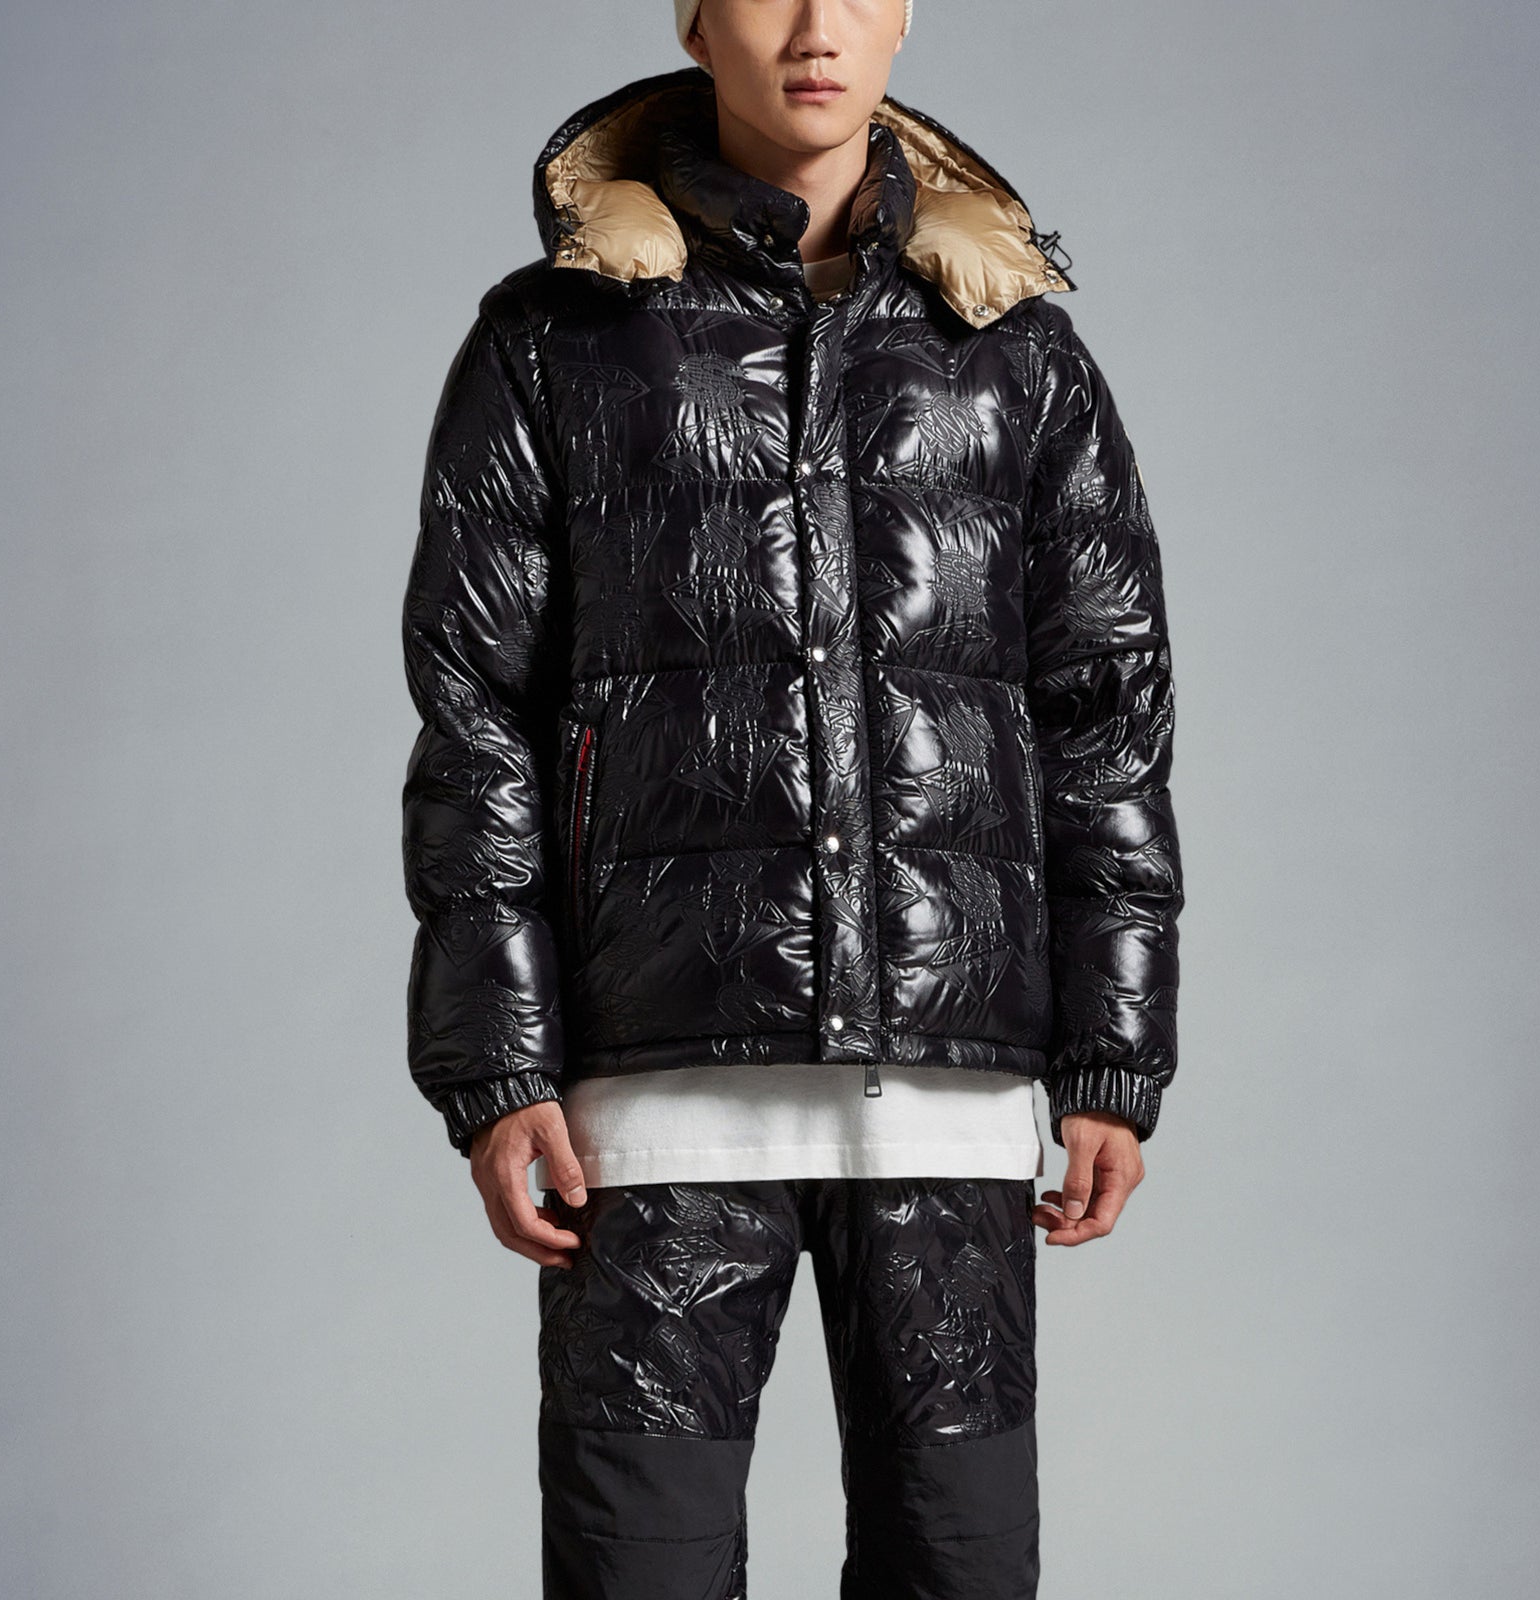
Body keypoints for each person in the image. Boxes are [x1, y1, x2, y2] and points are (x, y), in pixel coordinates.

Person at [398, 3, 1185, 1595]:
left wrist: (1116, 1050)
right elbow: (476, 711)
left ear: (904, 16)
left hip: (951, 1092)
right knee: (640, 1564)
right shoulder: (556, 337)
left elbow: (1106, 713)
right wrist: (496, 1060)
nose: (816, 27)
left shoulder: (1015, 346)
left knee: (959, 1565)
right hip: (650, 1097)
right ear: (697, 19)